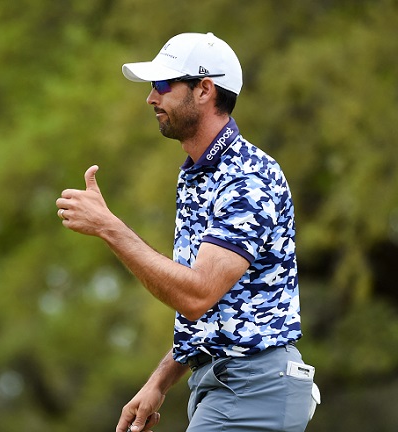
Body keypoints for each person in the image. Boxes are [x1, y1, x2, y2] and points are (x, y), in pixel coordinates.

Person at [56, 32, 319, 432]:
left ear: (205, 90)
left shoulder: (247, 178)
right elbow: (218, 313)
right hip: (227, 388)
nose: (151, 98)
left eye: (163, 85)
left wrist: (109, 228)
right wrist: (159, 382)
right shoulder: (198, 175)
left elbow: (196, 295)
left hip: (253, 391)